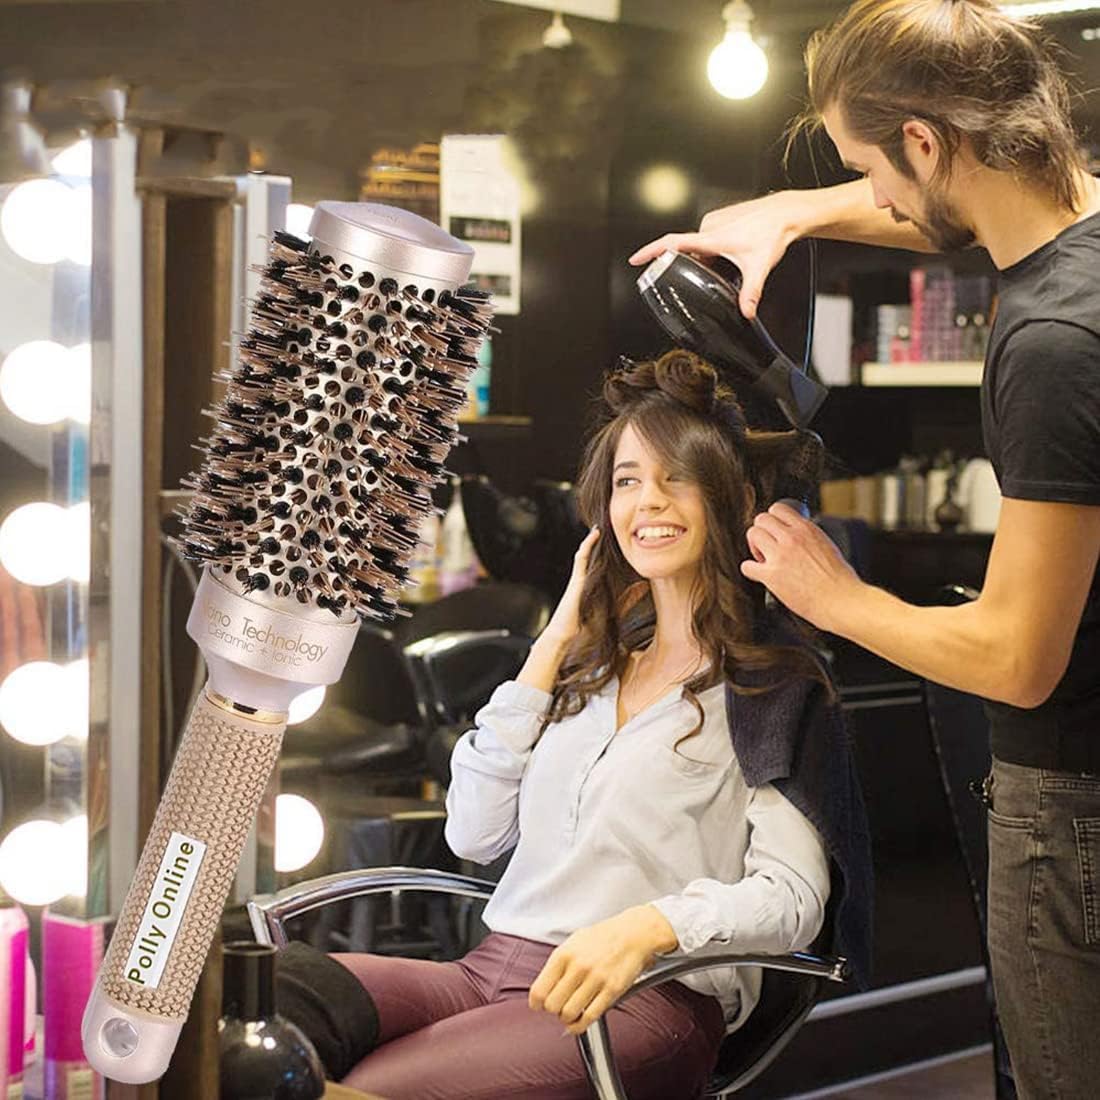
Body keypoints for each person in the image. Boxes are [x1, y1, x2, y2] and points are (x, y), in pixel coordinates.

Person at [631, 3, 1100, 1098]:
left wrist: (831, 594)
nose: (874, 197)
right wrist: (795, 211)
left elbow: (1015, 658)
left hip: (1073, 804)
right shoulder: (1081, 240)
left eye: (867, 167)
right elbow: (953, 208)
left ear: (926, 142)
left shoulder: (1050, 347)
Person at [275, 350, 872, 1100]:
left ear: (733, 496)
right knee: (258, 1006)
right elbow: (472, 833)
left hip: (643, 999)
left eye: (677, 478)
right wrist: (553, 641)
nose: (648, 503)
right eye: (628, 481)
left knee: (367, 1089)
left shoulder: (769, 686)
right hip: (488, 971)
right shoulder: (587, 670)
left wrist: (648, 928)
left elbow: (793, 897)